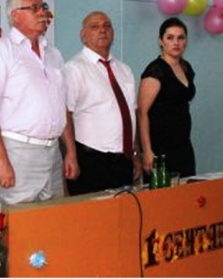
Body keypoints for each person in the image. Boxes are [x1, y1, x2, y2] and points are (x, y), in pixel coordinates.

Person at [0, 0, 79, 205]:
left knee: (54, 218)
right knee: (20, 221)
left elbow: (61, 107)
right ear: (15, 15)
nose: (42, 13)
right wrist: (1, 159)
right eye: (34, 8)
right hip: (18, 152)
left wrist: (70, 152)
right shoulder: (0, 51)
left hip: (53, 152)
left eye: (43, 7)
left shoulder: (54, 54)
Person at [64, 11, 139, 195]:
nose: (102, 30)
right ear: (83, 35)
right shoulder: (74, 69)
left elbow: (131, 114)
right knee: (92, 213)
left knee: (125, 211)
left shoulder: (124, 70)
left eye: (107, 26)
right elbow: (65, 115)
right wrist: (71, 154)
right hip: (90, 160)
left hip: (123, 160)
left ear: (113, 33)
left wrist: (135, 153)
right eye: (95, 26)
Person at [137, 17, 196, 179]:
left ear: (186, 41)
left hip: (183, 144)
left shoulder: (186, 67)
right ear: (161, 41)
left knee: (187, 189)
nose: (176, 43)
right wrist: (147, 151)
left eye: (180, 38)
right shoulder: (156, 70)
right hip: (159, 147)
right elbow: (142, 113)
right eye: (170, 38)